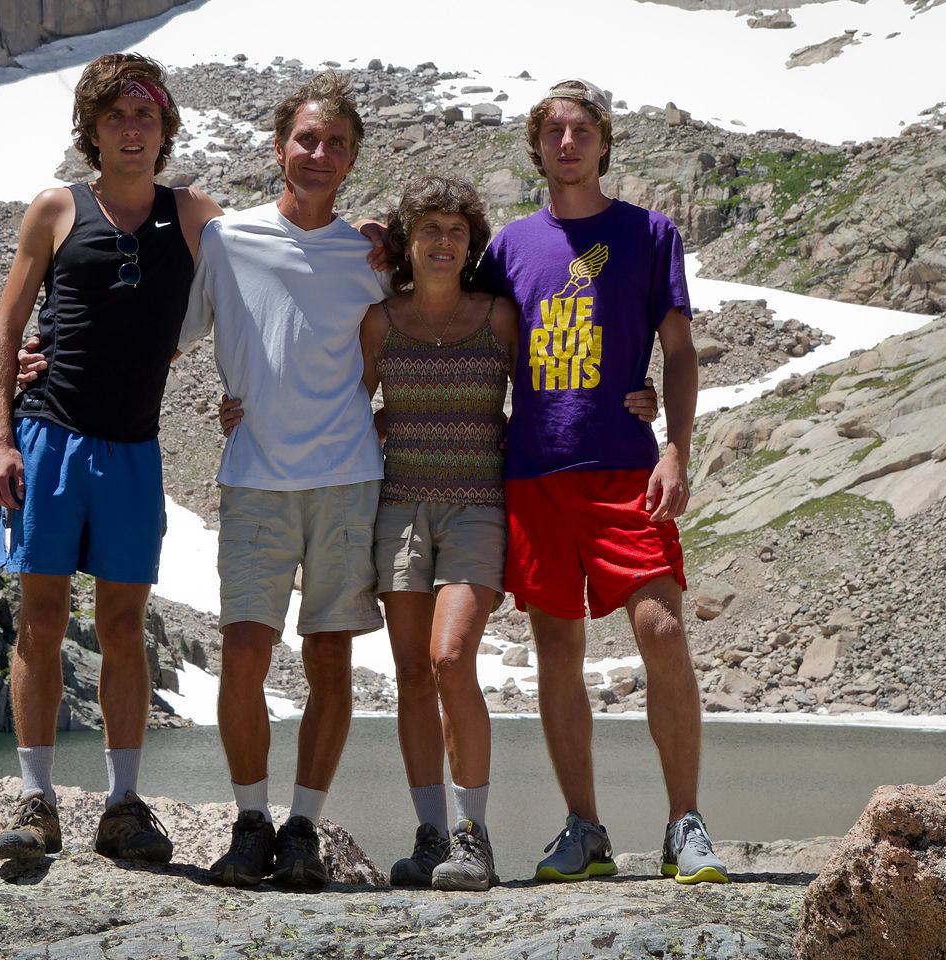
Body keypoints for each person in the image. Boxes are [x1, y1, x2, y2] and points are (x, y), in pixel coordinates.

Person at [227, 176, 657, 891]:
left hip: (478, 508)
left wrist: (633, 395)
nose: (444, 241)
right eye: (429, 228)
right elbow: (340, 404)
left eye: (457, 230)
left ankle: (473, 836)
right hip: (398, 510)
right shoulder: (381, 322)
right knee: (412, 676)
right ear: (410, 239)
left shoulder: (498, 317)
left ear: (471, 244)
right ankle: (431, 839)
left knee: (451, 658)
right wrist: (249, 411)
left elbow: (556, 381)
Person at [476, 78, 729, 885]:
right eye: (552, 129)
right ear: (537, 146)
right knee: (557, 648)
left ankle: (683, 824)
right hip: (535, 471)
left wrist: (677, 447)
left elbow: (681, 351)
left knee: (661, 630)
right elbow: (449, 322)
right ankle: (584, 830)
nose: (567, 141)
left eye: (581, 128)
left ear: (604, 143)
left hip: (626, 466)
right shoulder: (510, 246)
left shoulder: (649, 233)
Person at [0, 53, 221, 864]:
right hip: (50, 437)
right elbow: (8, 329)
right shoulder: (55, 208)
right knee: (42, 619)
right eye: (116, 116)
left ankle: (121, 805)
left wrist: (365, 241)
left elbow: (264, 267)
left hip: (134, 448)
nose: (131, 128)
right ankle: (37, 800)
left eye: (146, 116)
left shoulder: (192, 213)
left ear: (164, 129)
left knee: (123, 626)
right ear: (92, 129)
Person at [178, 73, 392, 890]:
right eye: (307, 139)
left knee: (329, 657)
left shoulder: (369, 255)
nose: (319, 153)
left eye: (336, 143)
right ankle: (248, 820)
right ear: (279, 147)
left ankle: (302, 825)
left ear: (351, 159)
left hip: (346, 479)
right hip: (257, 478)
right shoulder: (229, 242)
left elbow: (420, 328)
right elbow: (172, 337)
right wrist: (49, 358)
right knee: (243, 651)